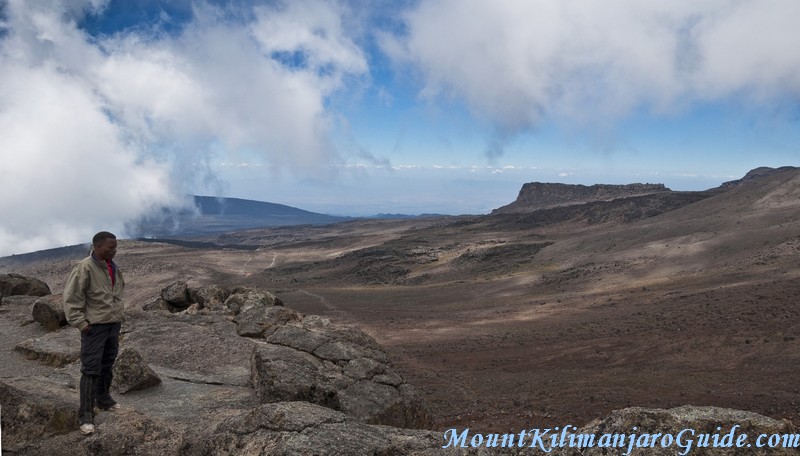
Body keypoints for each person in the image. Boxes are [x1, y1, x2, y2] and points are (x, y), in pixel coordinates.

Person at [63, 231, 125, 435]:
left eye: (115, 247)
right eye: (110, 247)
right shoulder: (84, 268)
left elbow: (116, 294)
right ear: (97, 246)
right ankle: (86, 415)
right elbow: (72, 298)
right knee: (91, 369)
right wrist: (81, 323)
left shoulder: (113, 267)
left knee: (107, 363)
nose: (114, 250)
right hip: (94, 327)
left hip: (112, 324)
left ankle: (104, 399)